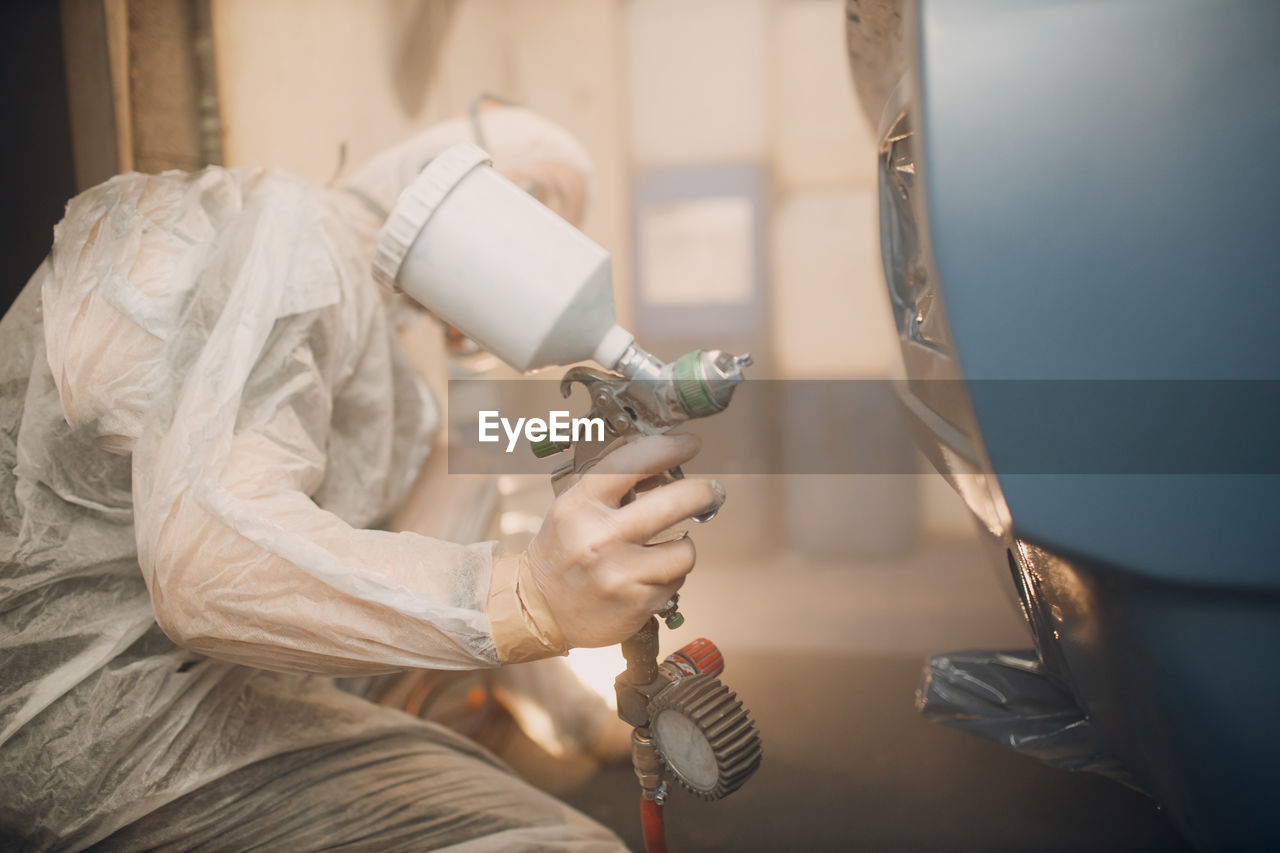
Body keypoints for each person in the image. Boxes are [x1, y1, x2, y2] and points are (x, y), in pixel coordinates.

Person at [0, 106, 719, 851]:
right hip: (103, 723)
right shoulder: (290, 237)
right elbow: (205, 566)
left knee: (489, 521)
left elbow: (454, 473)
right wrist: (528, 597)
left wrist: (577, 430)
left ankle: (564, 721)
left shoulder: (383, 365)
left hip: (212, 684)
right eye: (536, 199)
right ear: (457, 167)